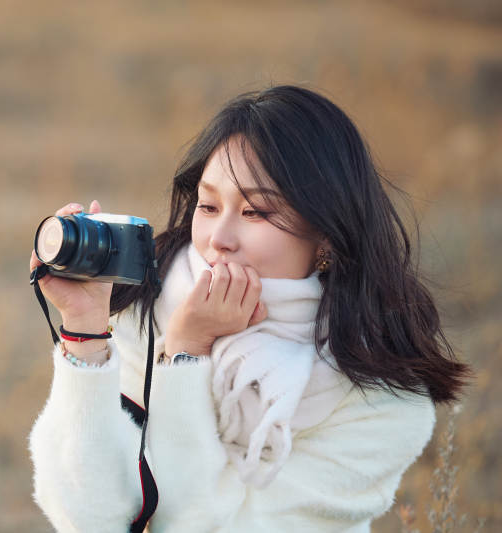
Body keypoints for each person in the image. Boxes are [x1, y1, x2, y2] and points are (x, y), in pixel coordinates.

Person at [27, 85, 469, 532]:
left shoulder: (381, 398)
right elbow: (87, 517)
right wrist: (84, 328)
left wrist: (184, 355)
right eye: (209, 205)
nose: (219, 237)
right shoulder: (148, 307)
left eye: (255, 212)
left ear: (328, 237)